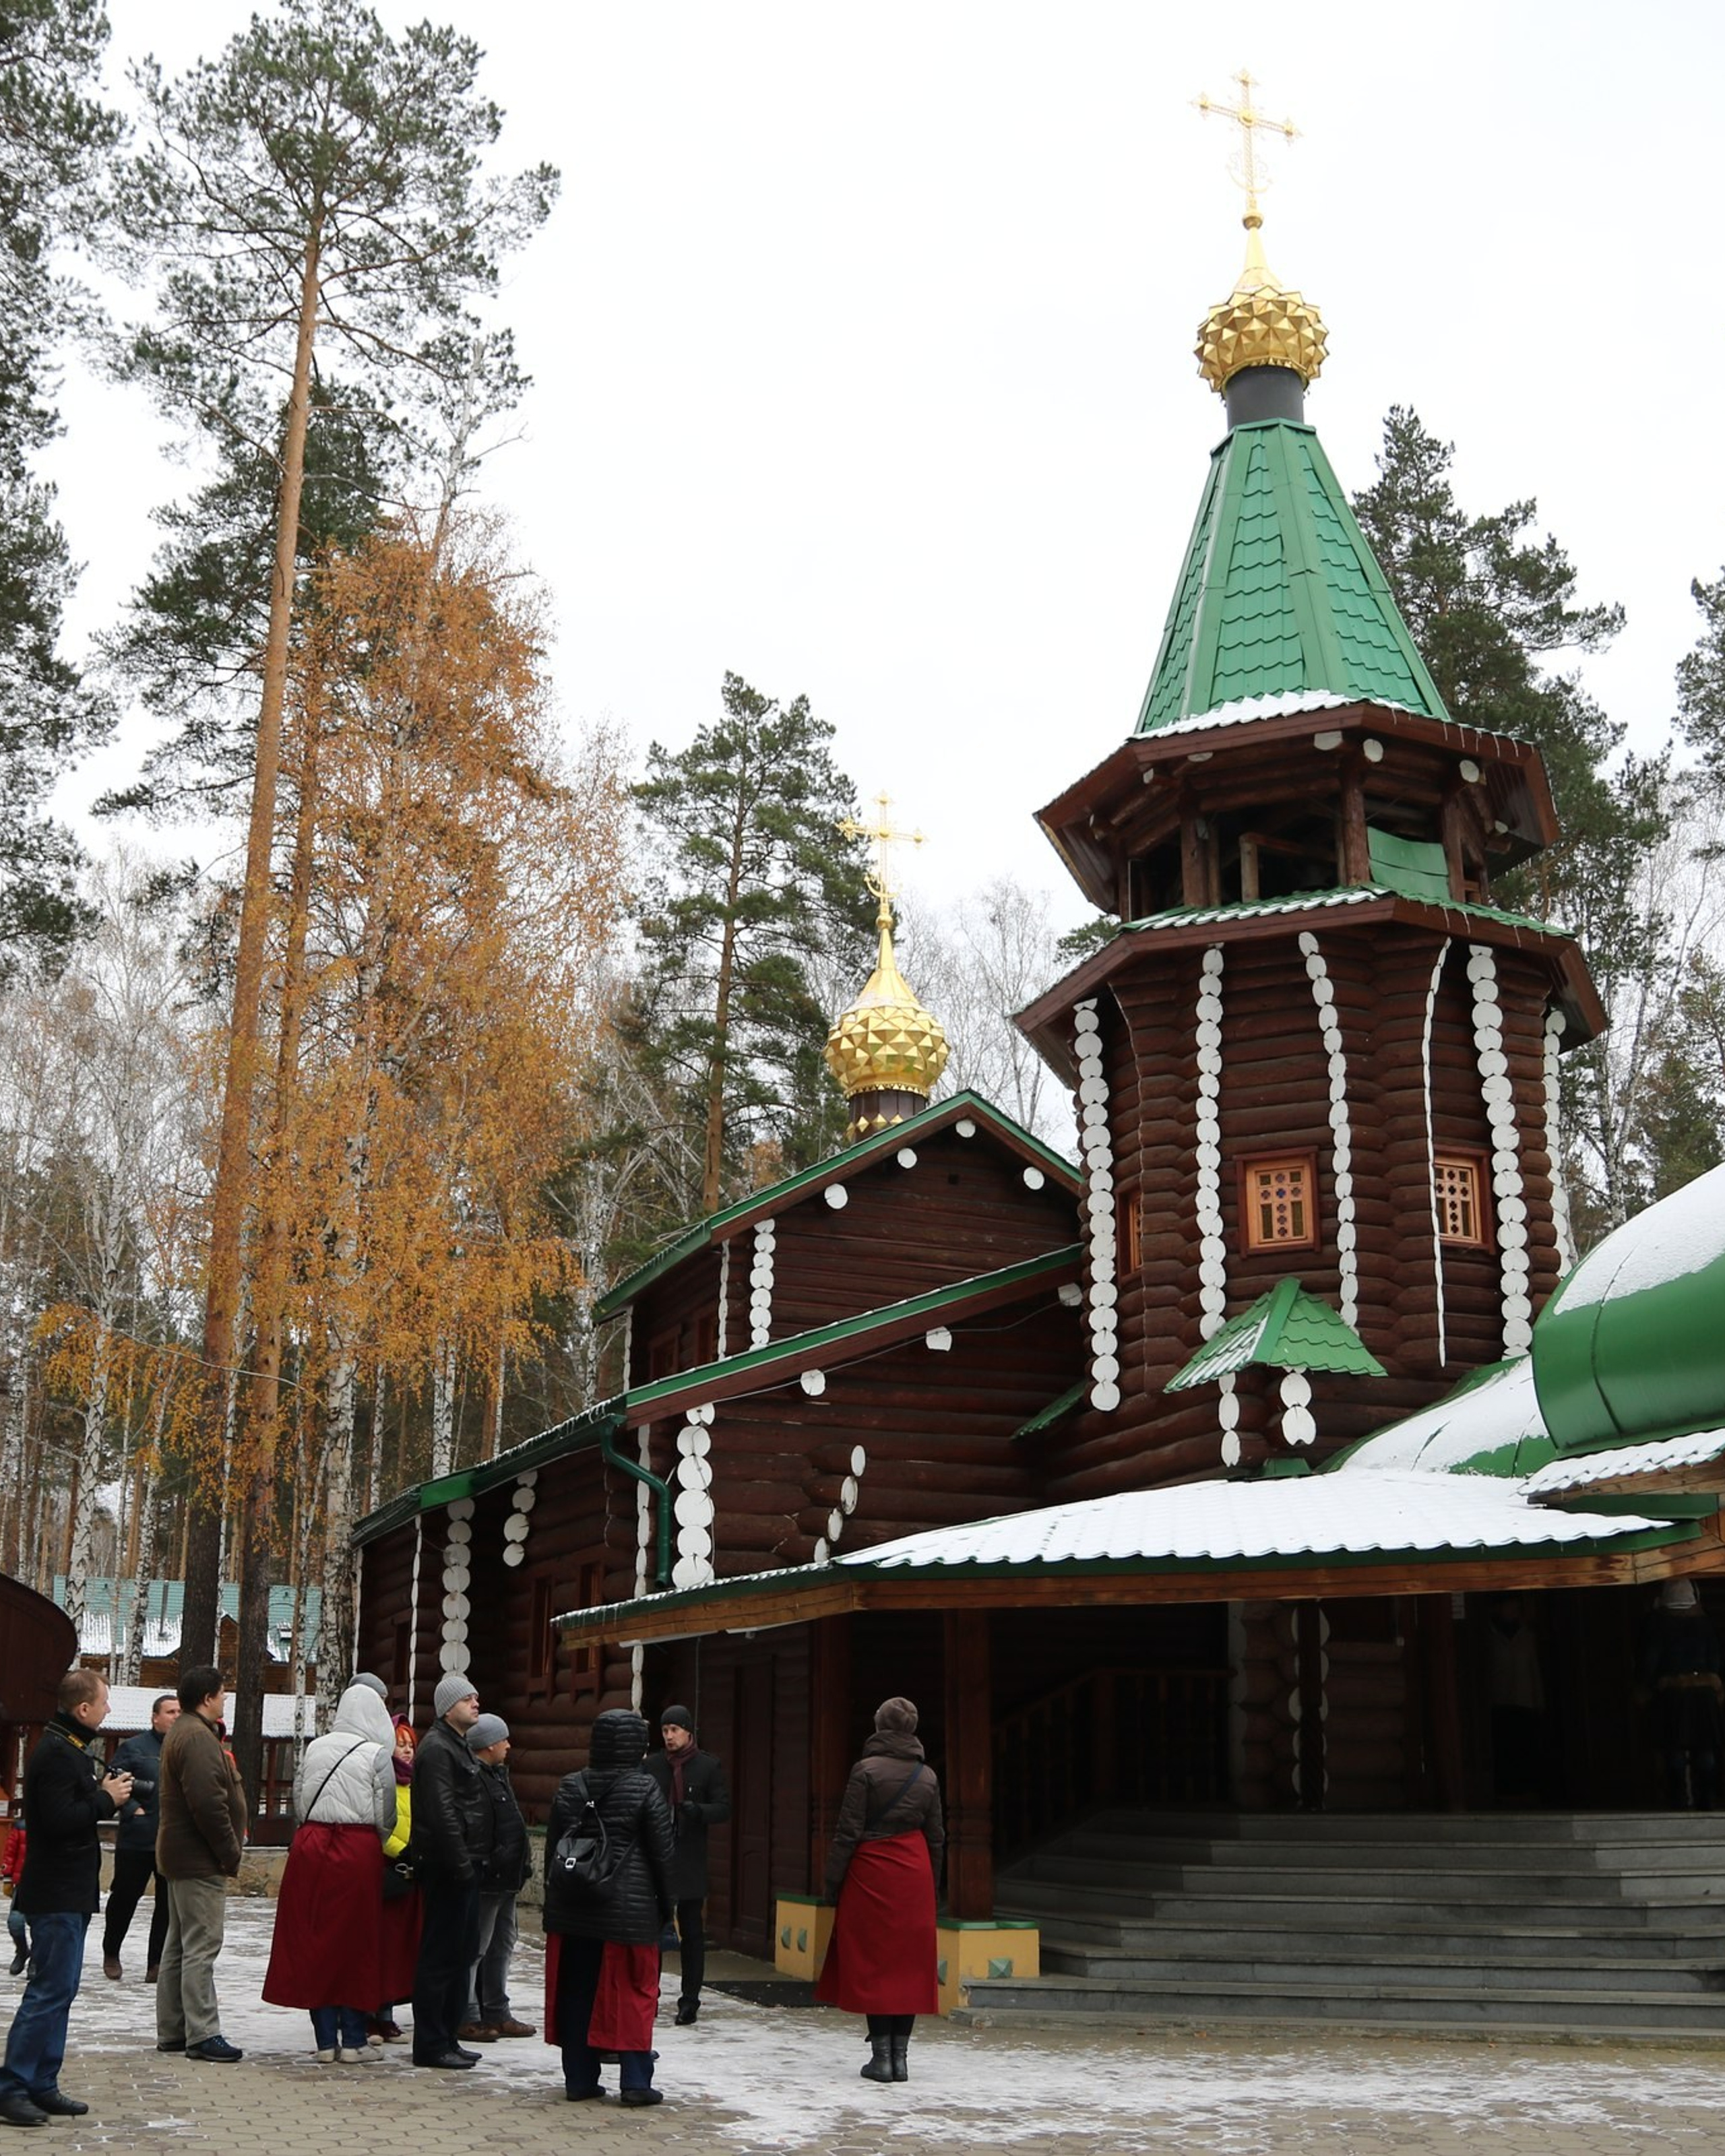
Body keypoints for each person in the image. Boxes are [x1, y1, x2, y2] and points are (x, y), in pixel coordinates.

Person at [0, 1667, 133, 2125]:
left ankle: (42, 2083)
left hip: (68, 1890)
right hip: (55, 1891)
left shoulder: (68, 1746)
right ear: (83, 1708)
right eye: (104, 1702)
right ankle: (12, 2087)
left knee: (62, 1990)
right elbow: (59, 1821)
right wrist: (106, 1799)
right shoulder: (58, 1752)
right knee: (48, 1991)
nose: (108, 1709)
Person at [542, 1707, 675, 2107]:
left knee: (577, 1993)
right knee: (632, 1992)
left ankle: (580, 2080)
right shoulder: (645, 1788)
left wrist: (554, 1900)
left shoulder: (570, 1786)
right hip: (627, 1911)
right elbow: (663, 1855)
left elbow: (553, 1849)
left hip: (573, 1909)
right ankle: (635, 2082)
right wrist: (667, 1907)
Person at [262, 1680, 398, 2061]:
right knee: (357, 1943)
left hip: (310, 1847)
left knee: (314, 1941)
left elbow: (300, 1800)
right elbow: (386, 1814)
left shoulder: (315, 1748)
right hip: (357, 1850)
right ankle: (354, 2041)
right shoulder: (376, 1755)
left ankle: (325, 2042)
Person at [815, 1696, 943, 2085]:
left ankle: (881, 2059)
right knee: (908, 1966)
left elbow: (848, 1832)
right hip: (914, 1872)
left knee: (875, 1962)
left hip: (871, 1870)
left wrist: (833, 1882)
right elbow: (936, 1837)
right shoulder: (927, 1776)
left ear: (880, 1727)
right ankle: (900, 2060)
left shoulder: (865, 1771)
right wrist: (932, 1886)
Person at [155, 1665, 247, 2064]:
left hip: (182, 1856)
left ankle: (174, 2029)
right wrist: (229, 1851)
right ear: (207, 1698)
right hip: (198, 1859)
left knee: (179, 1944)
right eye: (223, 1694)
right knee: (201, 1946)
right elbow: (209, 1805)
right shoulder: (196, 1737)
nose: (225, 1700)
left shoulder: (187, 1732)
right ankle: (203, 2032)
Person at [409, 1672, 488, 2069]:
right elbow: (442, 1813)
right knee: (441, 1957)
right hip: (448, 1868)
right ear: (446, 1708)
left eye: (475, 1697)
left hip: (464, 1865)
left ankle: (447, 2037)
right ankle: (431, 2044)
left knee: (461, 1954)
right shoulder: (439, 1749)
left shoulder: (458, 1745)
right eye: (466, 1698)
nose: (476, 1702)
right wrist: (461, 1866)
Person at [644, 1703, 730, 2026]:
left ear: (688, 1732)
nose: (669, 1736)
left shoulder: (707, 1766)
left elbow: (723, 1808)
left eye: (675, 1730)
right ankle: (648, 1997)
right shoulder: (652, 1766)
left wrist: (699, 1811)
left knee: (692, 1933)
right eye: (665, 1730)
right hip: (657, 1857)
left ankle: (690, 2001)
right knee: (653, 1931)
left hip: (690, 1857)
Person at [458, 1714, 536, 2042]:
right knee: (476, 1948)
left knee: (503, 1943)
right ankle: (467, 2015)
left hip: (507, 1878)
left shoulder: (498, 1774)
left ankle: (497, 2011)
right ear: (489, 1744)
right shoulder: (474, 1777)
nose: (508, 1745)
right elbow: (477, 1829)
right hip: (490, 1878)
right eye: (503, 1739)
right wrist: (490, 1863)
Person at [102, 1692, 181, 1981]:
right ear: (155, 1717)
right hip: (138, 1839)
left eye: (180, 1712)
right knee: (124, 1898)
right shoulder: (135, 1748)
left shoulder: (185, 1749)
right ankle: (111, 1952)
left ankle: (156, 1963)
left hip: (172, 1840)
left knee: (167, 1905)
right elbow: (113, 1780)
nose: (176, 1717)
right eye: (170, 1712)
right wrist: (131, 1808)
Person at [1643, 1579, 1724, 1807]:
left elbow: (1650, 1661)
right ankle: (1706, 1798)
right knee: (1705, 1748)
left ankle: (1678, 1798)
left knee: (1675, 1748)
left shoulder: (1658, 1626)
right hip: (1703, 1694)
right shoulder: (1705, 1626)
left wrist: (1649, 1684)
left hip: (1673, 1695)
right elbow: (1716, 1661)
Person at [367, 1715, 422, 2043]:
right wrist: (401, 1850)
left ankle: (386, 2015)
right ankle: (370, 2015)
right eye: (400, 1744)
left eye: (410, 1744)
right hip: (388, 1869)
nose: (407, 1751)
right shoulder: (382, 1779)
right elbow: (380, 1822)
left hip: (410, 1873)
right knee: (380, 1947)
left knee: (398, 1950)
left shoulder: (415, 1782)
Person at [1, 1814, 28, 1977]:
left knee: (41, 1927)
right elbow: (10, 1854)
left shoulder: (55, 1826)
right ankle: (22, 1951)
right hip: (22, 1885)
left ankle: (37, 1960)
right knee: (15, 1923)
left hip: (45, 1886)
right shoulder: (21, 1827)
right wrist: (7, 1878)